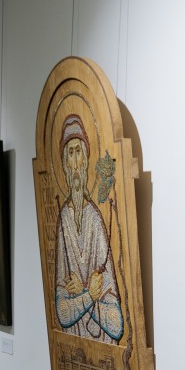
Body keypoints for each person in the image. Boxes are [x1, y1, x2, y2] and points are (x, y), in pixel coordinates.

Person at [54, 115, 123, 344]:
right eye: (70, 154)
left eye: (78, 152)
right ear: (64, 163)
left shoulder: (95, 220)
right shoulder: (63, 221)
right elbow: (62, 313)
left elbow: (116, 324)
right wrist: (89, 295)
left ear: (85, 159)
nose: (75, 164)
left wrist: (84, 292)